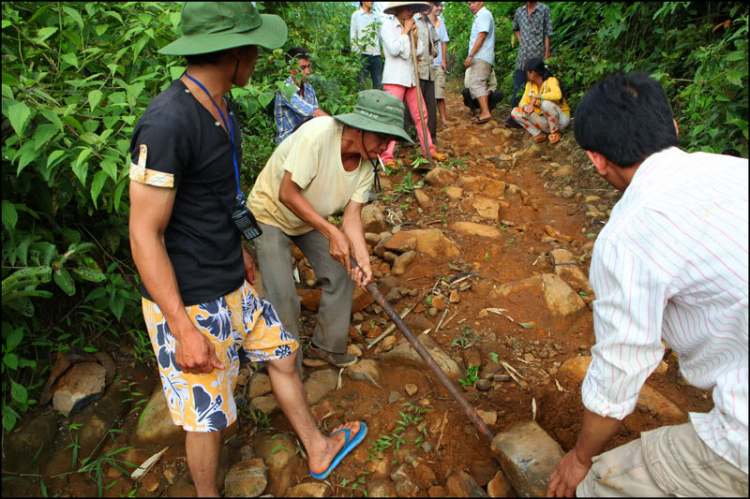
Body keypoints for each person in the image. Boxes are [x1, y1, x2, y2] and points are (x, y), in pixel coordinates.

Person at [128, 3, 366, 494]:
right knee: (207, 416)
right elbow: (143, 233)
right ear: (232, 51)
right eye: (254, 46)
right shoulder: (167, 123)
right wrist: (180, 326)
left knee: (281, 352)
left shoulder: (223, 108)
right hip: (192, 299)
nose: (259, 55)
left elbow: (218, 195)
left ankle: (317, 448)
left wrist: (240, 248)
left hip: (232, 278)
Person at [546, 72, 748, 497]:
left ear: (597, 159)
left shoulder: (627, 236)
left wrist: (580, 459)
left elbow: (621, 370)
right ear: (673, 129)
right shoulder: (734, 169)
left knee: (594, 487)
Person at [247, 90, 414, 372]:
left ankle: (326, 346)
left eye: (390, 141)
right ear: (360, 127)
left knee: (343, 273)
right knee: (283, 297)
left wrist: (362, 261)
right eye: (381, 138)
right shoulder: (317, 136)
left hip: (306, 219)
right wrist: (331, 233)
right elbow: (287, 193)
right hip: (270, 214)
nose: (385, 147)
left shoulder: (367, 162)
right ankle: (288, 371)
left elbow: (351, 218)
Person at [379, 1, 446, 168]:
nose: (411, 12)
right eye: (407, 8)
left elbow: (419, 53)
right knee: (392, 117)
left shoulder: (413, 26)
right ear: (398, 9)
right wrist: (406, 31)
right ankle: (386, 157)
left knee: (421, 115)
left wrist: (414, 36)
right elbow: (394, 50)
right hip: (395, 78)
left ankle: (429, 151)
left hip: (410, 77)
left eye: (412, 9)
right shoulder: (387, 26)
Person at [505, 1, 553, 128]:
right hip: (522, 58)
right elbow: (515, 29)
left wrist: (547, 55)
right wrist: (521, 41)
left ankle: (537, 120)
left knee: (537, 89)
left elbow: (548, 34)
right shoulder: (519, 11)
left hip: (537, 58)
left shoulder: (544, 9)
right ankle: (515, 118)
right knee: (518, 87)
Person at [274, 47, 329, 144]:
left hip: (305, 138)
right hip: (288, 143)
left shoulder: (308, 87)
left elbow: (316, 117)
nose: (308, 71)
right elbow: (311, 111)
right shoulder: (285, 89)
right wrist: (334, 123)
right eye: (303, 68)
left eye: (309, 66)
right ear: (291, 69)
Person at [511, 58, 570, 144]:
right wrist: (525, 107)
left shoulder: (551, 81)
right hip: (545, 122)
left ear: (533, 73)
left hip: (561, 122)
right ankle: (538, 134)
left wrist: (538, 97)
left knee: (546, 104)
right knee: (515, 112)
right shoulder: (530, 85)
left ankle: (555, 132)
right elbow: (522, 101)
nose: (525, 75)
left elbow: (558, 95)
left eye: (526, 72)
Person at [404, 5, 439, 144]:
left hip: (429, 69)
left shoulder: (429, 23)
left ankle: (430, 137)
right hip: (415, 69)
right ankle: (409, 137)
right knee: (412, 104)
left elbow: (436, 41)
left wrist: (434, 52)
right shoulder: (413, 20)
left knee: (430, 103)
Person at [465, 1, 496, 125]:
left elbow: (482, 35)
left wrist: (471, 55)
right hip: (482, 56)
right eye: (469, 3)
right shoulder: (480, 16)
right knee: (476, 83)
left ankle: (485, 113)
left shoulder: (484, 15)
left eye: (473, 2)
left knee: (477, 83)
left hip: (481, 56)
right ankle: (484, 112)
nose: (471, 5)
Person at [351, 1, 383, 91]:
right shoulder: (356, 15)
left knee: (378, 85)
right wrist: (357, 55)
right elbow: (353, 36)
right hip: (362, 54)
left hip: (376, 54)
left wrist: (381, 49)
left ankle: (378, 104)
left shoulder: (376, 16)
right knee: (360, 85)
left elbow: (380, 35)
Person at [429, 2, 451, 126]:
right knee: (426, 93)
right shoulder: (424, 22)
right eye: (437, 5)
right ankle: (429, 120)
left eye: (441, 5)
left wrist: (444, 61)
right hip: (426, 64)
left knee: (440, 92)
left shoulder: (441, 24)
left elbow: (444, 43)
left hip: (438, 64)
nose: (440, 8)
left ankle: (443, 118)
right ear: (431, 6)